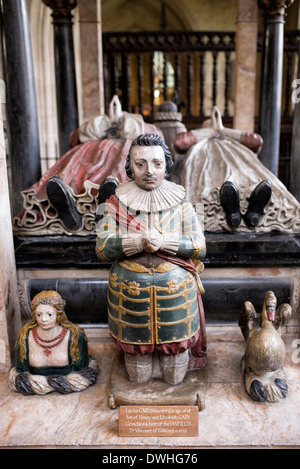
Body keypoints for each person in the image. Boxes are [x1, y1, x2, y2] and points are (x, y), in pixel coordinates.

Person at [95, 133, 207, 385]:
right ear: (129, 167)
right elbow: (101, 248)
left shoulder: (182, 205)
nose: (149, 171)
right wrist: (136, 242)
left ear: (167, 166)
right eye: (140, 163)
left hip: (174, 292)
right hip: (131, 294)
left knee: (174, 375)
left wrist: (166, 242)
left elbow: (200, 246)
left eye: (157, 163)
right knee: (138, 376)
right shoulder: (113, 205)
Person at [8, 290, 98, 395]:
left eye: (49, 314)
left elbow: (82, 369)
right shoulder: (25, 337)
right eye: (39, 314)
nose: (44, 319)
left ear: (58, 314)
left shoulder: (74, 337)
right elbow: (21, 370)